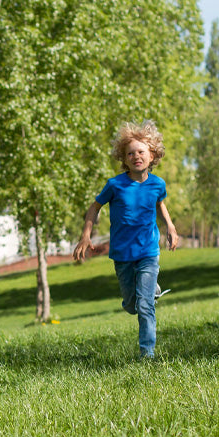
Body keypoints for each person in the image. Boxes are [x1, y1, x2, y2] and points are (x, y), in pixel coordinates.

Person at [73, 120, 179, 358]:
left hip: (148, 252)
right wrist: (85, 235)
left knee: (145, 306)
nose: (136, 156)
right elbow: (94, 207)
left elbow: (160, 204)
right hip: (122, 255)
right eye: (130, 153)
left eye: (141, 152)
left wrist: (170, 227)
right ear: (124, 158)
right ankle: (150, 291)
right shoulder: (115, 185)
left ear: (152, 155)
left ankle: (147, 354)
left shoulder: (158, 184)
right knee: (132, 305)